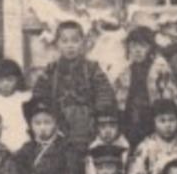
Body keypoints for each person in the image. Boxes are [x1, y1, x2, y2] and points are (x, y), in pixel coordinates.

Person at [35, 20, 118, 162]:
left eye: (75, 41)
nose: (70, 46)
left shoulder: (92, 69)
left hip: (87, 128)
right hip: (58, 129)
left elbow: (105, 95)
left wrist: (96, 118)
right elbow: (39, 97)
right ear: (57, 44)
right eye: (64, 41)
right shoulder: (51, 71)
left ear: (83, 44)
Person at [115, 25, 177, 147]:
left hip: (152, 113)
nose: (138, 50)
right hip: (130, 115)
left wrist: (164, 114)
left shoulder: (160, 67)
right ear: (128, 48)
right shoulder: (124, 70)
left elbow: (169, 92)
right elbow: (118, 94)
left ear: (150, 48)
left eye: (143, 46)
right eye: (133, 46)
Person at [16, 99, 76, 174]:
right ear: (31, 126)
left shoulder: (67, 148)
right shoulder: (26, 149)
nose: (42, 127)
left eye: (47, 123)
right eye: (37, 123)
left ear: (56, 124)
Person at [82, 109, 131, 174]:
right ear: (97, 128)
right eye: (103, 127)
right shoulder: (93, 149)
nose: (107, 131)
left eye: (112, 126)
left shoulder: (126, 147)